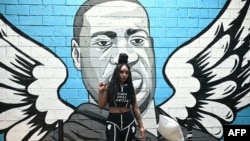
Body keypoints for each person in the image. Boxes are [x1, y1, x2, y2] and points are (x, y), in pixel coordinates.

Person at [98, 53, 145, 141]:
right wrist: (101, 92)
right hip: (113, 121)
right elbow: (101, 106)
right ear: (117, 72)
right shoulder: (109, 87)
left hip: (128, 121)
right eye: (122, 72)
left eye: (127, 72)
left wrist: (141, 126)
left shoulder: (131, 88)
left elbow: (135, 109)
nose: (124, 74)